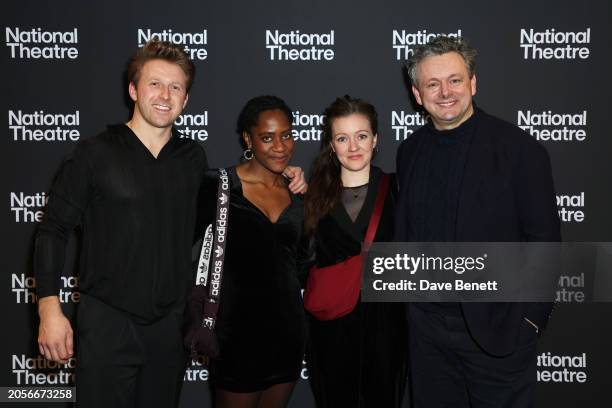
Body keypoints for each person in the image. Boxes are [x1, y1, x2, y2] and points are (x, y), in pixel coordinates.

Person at [34, 42, 305, 407]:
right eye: (155, 84)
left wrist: (283, 173)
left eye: (175, 87)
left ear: (186, 99)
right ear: (133, 89)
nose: (165, 95)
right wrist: (49, 309)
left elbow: (237, 191)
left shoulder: (192, 157)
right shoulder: (94, 153)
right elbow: (52, 230)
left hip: (169, 329)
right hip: (107, 324)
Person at [395, 36, 561, 407]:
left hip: (497, 332)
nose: (445, 92)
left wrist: (529, 321)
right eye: (432, 84)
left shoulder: (520, 150)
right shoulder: (410, 151)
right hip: (426, 335)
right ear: (417, 94)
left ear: (473, 83)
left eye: (455, 80)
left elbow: (545, 241)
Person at [193, 95, 306, 408]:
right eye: (267, 137)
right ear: (248, 139)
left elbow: (305, 264)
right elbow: (183, 248)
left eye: (286, 135)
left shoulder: (298, 196)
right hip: (236, 339)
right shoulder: (218, 185)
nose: (280, 146)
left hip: (287, 335)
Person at [303, 96, 407, 407]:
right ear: (331, 146)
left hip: (387, 326)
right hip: (330, 328)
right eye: (342, 138)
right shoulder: (311, 197)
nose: (353, 147)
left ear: (375, 139)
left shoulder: (400, 189)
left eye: (361, 136)